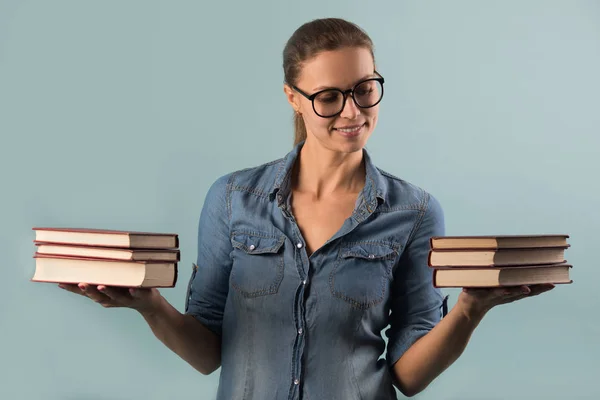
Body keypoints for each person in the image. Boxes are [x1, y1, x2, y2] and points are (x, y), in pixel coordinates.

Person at [59, 18, 555, 399]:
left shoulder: (416, 212)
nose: (352, 112)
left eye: (364, 89)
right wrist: (149, 305)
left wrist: (470, 309)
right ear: (292, 99)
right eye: (328, 97)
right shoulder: (233, 199)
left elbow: (408, 374)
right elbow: (208, 351)